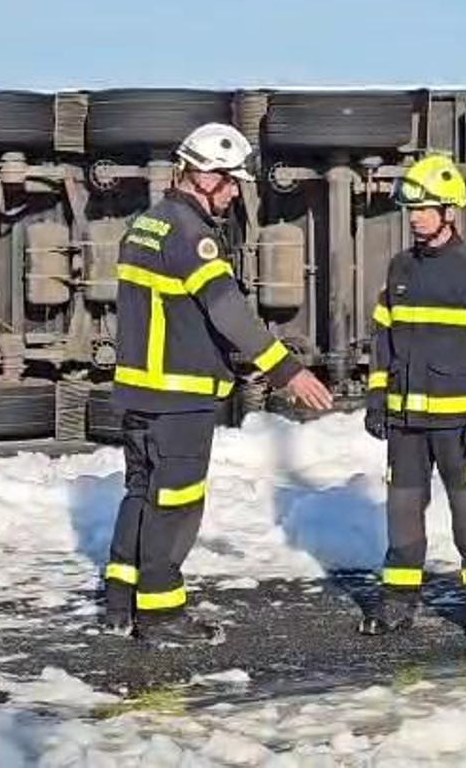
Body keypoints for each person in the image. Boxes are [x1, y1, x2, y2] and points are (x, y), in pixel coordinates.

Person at [103, 121, 334, 646]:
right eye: (228, 180)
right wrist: (286, 369)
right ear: (200, 175)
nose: (233, 191)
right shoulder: (193, 238)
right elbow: (227, 310)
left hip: (140, 392)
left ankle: (121, 602)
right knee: (177, 500)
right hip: (178, 395)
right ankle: (161, 613)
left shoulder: (145, 225)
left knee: (140, 493)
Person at [360, 153, 466, 653]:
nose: (417, 217)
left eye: (426, 208)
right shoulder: (399, 268)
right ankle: (397, 603)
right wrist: (378, 395)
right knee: (403, 516)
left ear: (450, 210)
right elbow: (384, 336)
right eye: (412, 209)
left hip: (459, 425)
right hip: (406, 425)